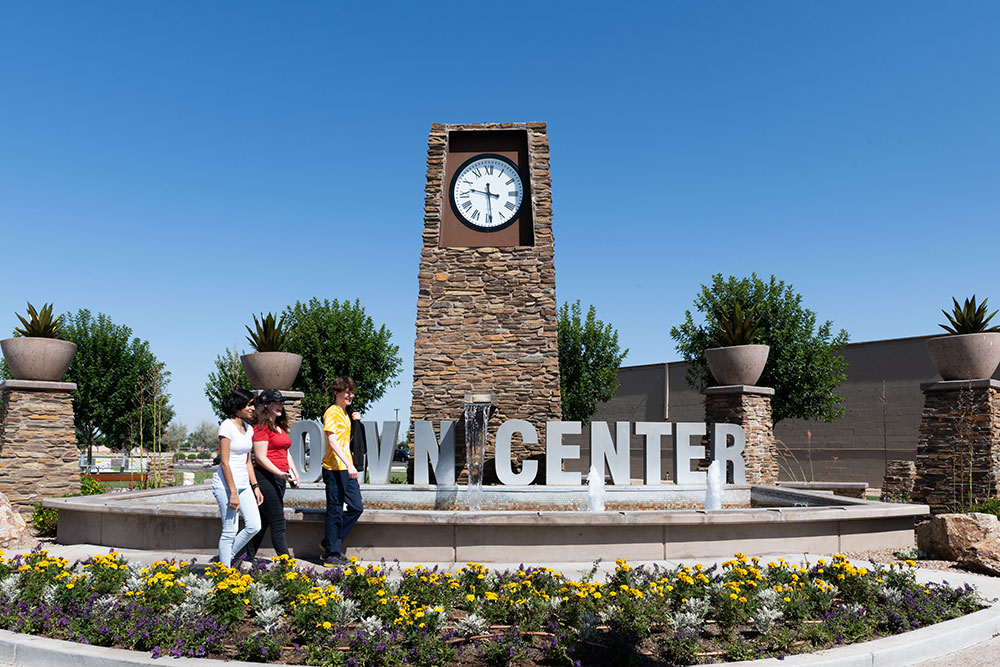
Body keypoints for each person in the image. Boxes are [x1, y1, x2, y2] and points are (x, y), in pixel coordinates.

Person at [243, 389, 300, 561]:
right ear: (266, 405)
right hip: (265, 478)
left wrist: (294, 474)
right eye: (276, 402)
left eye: (281, 402)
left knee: (263, 521)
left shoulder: (279, 428)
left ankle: (246, 557)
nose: (280, 405)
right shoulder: (261, 428)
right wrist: (280, 473)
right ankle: (286, 564)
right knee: (278, 523)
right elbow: (260, 458)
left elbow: (286, 453)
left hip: (279, 479)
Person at [212, 388, 263, 567]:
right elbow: (224, 463)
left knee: (255, 525)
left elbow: (248, 461)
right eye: (249, 405)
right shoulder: (227, 426)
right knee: (229, 531)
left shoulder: (248, 428)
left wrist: (255, 486)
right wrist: (233, 492)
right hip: (226, 486)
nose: (252, 409)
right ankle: (225, 572)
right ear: (238, 405)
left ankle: (225, 559)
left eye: (253, 405)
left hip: (243, 485)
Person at [319, 376, 363, 566]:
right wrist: (349, 463)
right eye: (346, 391)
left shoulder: (346, 414)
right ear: (336, 393)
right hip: (335, 468)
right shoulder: (332, 413)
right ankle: (331, 554)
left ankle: (329, 543)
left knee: (356, 507)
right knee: (335, 510)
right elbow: (332, 441)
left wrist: (357, 422)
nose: (350, 395)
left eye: (352, 392)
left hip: (346, 468)